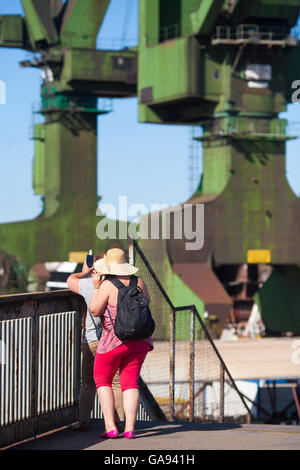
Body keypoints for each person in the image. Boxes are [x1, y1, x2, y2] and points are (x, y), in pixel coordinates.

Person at [89, 248, 153, 439]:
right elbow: (147, 303)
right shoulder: (139, 281)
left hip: (113, 341)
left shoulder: (107, 285)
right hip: (140, 340)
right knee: (130, 383)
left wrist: (95, 286)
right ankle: (130, 429)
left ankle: (111, 427)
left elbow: (94, 310)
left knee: (102, 379)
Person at [67, 253, 124, 431]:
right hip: (116, 339)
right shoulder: (118, 284)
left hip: (94, 340)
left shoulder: (87, 284)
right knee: (115, 381)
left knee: (89, 380)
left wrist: (85, 272)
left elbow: (70, 280)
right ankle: (119, 422)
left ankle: (83, 420)